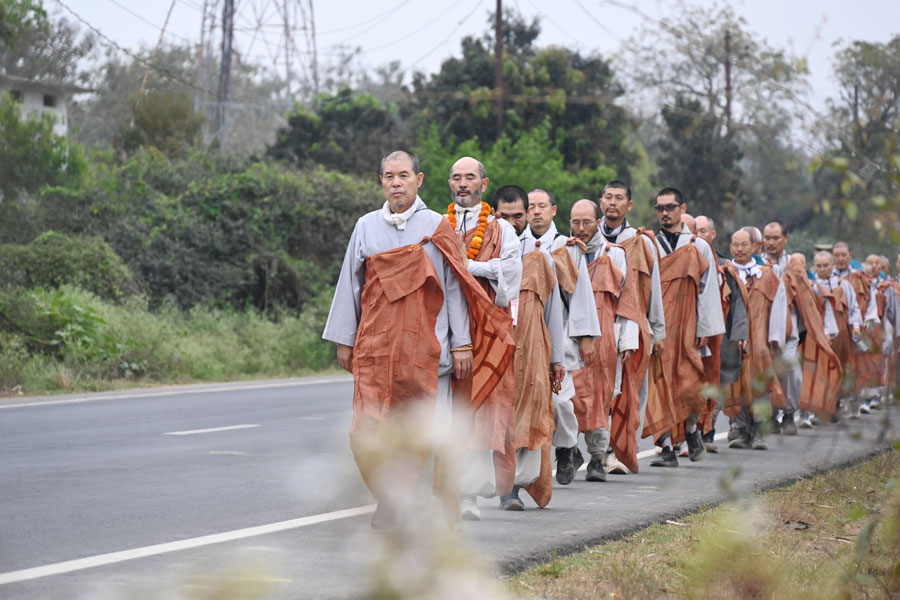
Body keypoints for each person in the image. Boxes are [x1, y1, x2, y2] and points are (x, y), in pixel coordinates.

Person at [322, 150, 514, 529]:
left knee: (425, 432)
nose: (396, 183)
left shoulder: (436, 226)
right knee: (371, 431)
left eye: (404, 175)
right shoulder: (366, 226)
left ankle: (411, 506)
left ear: (419, 179)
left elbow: (456, 288)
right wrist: (346, 339)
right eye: (389, 176)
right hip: (378, 349)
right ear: (381, 181)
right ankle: (388, 495)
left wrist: (461, 342)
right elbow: (351, 284)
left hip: (430, 351)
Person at [445, 156, 523, 520]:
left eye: (470, 177)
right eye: (457, 178)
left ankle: (490, 491)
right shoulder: (436, 225)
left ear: (484, 184)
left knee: (489, 410)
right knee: (455, 412)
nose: (463, 184)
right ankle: (456, 492)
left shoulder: (500, 229)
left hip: (490, 330)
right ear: (449, 184)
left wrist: (467, 265)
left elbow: (509, 274)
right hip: (447, 330)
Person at [492, 185, 565, 511]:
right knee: (493, 419)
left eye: (517, 216)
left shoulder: (537, 257)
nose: (511, 222)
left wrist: (557, 358)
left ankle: (514, 488)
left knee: (526, 418)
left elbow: (554, 311)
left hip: (530, 351)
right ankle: (480, 487)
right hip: (490, 349)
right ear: (493, 214)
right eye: (503, 216)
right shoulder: (482, 250)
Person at [524, 188, 602, 484]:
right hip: (527, 333)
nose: (536, 211)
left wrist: (586, 336)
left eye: (542, 206)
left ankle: (566, 448)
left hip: (562, 333)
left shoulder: (567, 247)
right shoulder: (515, 242)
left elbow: (581, 294)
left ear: (553, 210)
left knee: (561, 401)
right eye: (531, 206)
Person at [647, 187, 725, 467]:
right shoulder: (649, 245)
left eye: (670, 207)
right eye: (660, 208)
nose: (665, 213)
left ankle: (692, 430)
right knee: (659, 387)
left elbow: (708, 291)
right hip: (658, 329)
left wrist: (704, 329)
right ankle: (667, 446)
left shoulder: (697, 246)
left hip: (689, 327)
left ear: (682, 208)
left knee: (691, 386)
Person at [567, 199, 640, 481]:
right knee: (569, 398)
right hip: (568, 337)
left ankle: (597, 458)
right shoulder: (564, 252)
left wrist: (626, 342)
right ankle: (569, 449)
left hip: (605, 338)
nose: (581, 228)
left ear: (597, 222)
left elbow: (626, 302)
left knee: (600, 397)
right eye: (576, 222)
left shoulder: (615, 255)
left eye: (587, 222)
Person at [597, 180, 666, 474]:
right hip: (595, 326)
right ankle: (592, 448)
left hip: (633, 326)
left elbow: (654, 289)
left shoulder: (641, 241)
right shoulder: (586, 234)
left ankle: (613, 450)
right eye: (608, 197)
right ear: (601, 202)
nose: (613, 202)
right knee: (594, 390)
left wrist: (657, 331)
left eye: (619, 198)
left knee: (627, 391)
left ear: (629, 205)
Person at [725, 230, 787, 449]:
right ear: (730, 247)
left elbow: (778, 307)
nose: (740, 249)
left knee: (760, 383)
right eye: (736, 244)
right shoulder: (726, 272)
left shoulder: (766, 275)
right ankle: (740, 428)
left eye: (744, 244)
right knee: (737, 383)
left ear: (753, 247)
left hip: (760, 339)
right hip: (733, 339)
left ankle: (760, 427)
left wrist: (775, 338)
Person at [782, 254, 843, 419]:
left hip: (814, 336)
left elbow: (828, 309)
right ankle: (796, 410)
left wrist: (827, 333)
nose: (797, 267)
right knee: (796, 372)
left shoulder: (816, 287)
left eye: (801, 264)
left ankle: (815, 408)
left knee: (815, 372)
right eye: (794, 264)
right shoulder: (786, 284)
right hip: (796, 337)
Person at [813, 250, 863, 420]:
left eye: (826, 265)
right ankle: (822, 405)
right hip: (819, 335)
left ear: (831, 266)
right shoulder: (812, 285)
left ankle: (836, 403)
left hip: (841, 334)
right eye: (819, 266)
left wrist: (856, 326)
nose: (822, 269)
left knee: (841, 368)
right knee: (820, 369)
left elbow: (854, 307)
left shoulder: (843, 285)